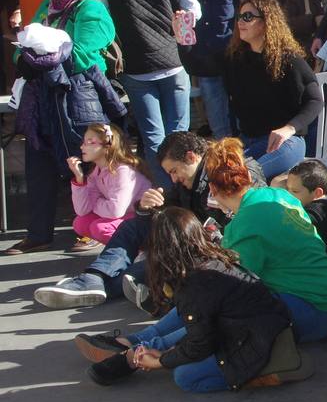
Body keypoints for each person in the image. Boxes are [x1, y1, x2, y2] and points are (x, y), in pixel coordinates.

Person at [33, 132, 265, 308]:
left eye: (174, 171)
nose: (173, 179)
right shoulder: (192, 178)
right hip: (199, 238)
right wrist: (145, 206)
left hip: (220, 247)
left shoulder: (233, 172)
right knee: (136, 225)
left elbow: (246, 221)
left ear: (191, 157)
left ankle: (101, 286)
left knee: (167, 254)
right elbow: (168, 206)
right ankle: (95, 278)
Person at [82, 209, 303, 391]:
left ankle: (262, 375)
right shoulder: (208, 259)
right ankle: (135, 351)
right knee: (183, 316)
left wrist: (161, 361)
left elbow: (200, 344)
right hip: (252, 323)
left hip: (255, 338)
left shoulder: (195, 283)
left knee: (185, 377)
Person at [6, 0, 120, 255]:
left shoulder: (93, 8)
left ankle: (92, 228)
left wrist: (46, 54)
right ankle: (38, 232)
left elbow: (84, 55)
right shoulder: (51, 1)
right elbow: (28, 38)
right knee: (38, 162)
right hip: (43, 94)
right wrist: (27, 55)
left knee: (84, 162)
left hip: (78, 96)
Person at [200, 138, 327, 338]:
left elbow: (236, 285)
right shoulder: (279, 195)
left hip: (315, 312)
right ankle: (152, 343)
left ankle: (153, 345)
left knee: (219, 307)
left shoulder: (244, 225)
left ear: (213, 190)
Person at [104, 0, 201, 182]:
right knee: (180, 135)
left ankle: (162, 196)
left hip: (134, 66)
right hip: (173, 61)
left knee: (153, 137)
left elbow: (102, 20)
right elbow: (194, 10)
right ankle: (185, 194)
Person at [224, 0, 322, 180]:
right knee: (220, 171)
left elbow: (315, 100)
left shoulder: (289, 60)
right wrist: (183, 39)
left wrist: (289, 128)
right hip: (249, 141)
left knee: (244, 177)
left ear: (266, 21)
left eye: (248, 17)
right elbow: (201, 67)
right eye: (239, 16)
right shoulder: (236, 60)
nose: (240, 22)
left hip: (287, 141)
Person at [183, 0, 250, 138]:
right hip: (205, 61)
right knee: (217, 120)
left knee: (243, 114)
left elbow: (249, 16)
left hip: (234, 58)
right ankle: (225, 158)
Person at [68, 123, 151, 251]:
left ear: (107, 146)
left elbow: (115, 211)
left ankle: (142, 250)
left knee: (100, 228)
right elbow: (82, 210)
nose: (82, 146)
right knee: (80, 223)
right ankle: (121, 250)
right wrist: (79, 179)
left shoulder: (123, 171)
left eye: (90, 142)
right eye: (83, 142)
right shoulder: (96, 172)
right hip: (126, 216)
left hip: (143, 219)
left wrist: (95, 202)